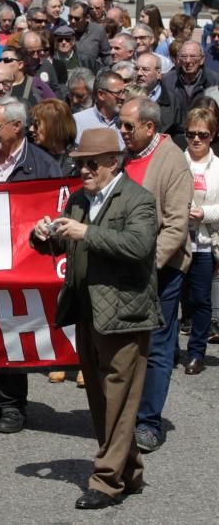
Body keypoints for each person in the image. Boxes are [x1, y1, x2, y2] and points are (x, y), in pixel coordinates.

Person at [31, 128, 160, 509]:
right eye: (79, 163)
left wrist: (88, 231)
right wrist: (44, 235)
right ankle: (130, 469)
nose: (83, 169)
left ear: (112, 162)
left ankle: (106, 481)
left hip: (126, 312)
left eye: (91, 163)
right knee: (102, 400)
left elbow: (139, 245)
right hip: (88, 310)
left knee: (119, 398)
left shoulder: (138, 199)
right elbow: (64, 242)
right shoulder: (79, 198)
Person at [0, 97, 62, 433]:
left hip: (23, 262)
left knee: (14, 328)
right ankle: (2, 395)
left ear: (16, 127)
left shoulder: (44, 165)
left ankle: (13, 405)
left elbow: (56, 208)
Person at [115, 98, 193, 453]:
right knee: (125, 345)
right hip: (123, 265)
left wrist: (148, 264)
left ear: (150, 127)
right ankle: (124, 415)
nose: (123, 132)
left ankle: (148, 423)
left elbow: (176, 225)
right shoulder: (125, 155)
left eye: (129, 126)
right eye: (121, 124)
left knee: (159, 347)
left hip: (159, 270)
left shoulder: (171, 160)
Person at [180, 107, 219, 375]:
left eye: (202, 135)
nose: (196, 140)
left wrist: (205, 212)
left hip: (204, 241)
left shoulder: (218, 167)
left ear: (212, 136)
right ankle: (168, 349)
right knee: (173, 298)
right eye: (191, 134)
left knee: (201, 300)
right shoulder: (176, 161)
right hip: (177, 240)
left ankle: (196, 352)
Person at [30, 98, 80, 177]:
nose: (31, 129)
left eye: (37, 124)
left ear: (54, 126)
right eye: (31, 124)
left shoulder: (80, 158)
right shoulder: (30, 155)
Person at [73, 71, 125, 146]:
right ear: (101, 94)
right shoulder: (77, 121)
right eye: (118, 93)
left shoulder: (128, 121)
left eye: (124, 92)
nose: (123, 97)